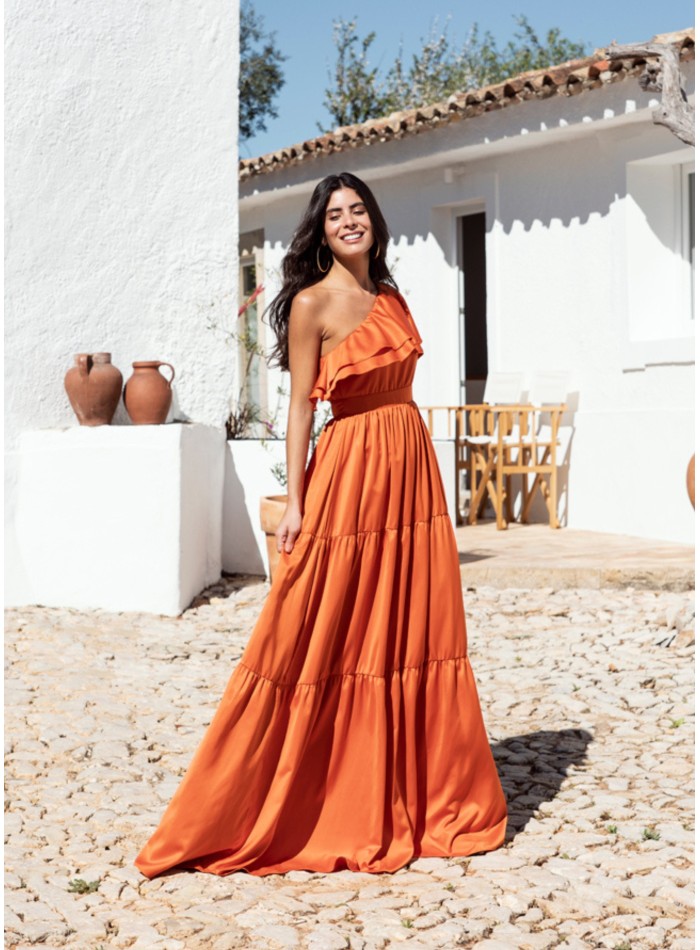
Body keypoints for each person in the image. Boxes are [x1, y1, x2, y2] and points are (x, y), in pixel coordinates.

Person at [135, 171, 507, 878]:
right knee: (320, 622)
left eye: (358, 209)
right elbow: (303, 407)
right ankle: (280, 793)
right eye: (335, 213)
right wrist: (298, 502)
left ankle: (423, 790)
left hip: (408, 469)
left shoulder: (390, 296)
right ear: (321, 228)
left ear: (374, 220)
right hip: (351, 469)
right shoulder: (311, 304)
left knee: (412, 626)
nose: (349, 221)